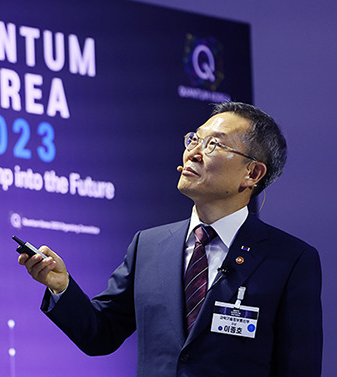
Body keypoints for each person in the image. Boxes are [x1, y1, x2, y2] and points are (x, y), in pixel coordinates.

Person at [17, 102, 323, 377]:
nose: (194, 152)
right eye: (194, 139)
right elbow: (100, 334)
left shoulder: (289, 260)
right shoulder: (148, 246)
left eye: (214, 144)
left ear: (252, 173)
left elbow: (299, 368)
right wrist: (61, 286)